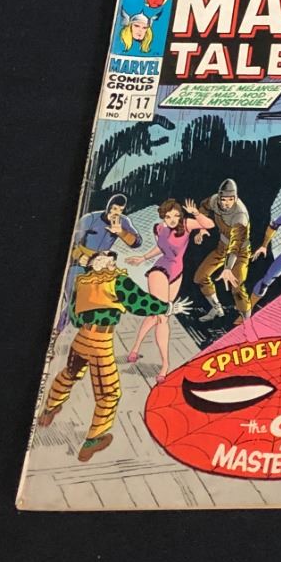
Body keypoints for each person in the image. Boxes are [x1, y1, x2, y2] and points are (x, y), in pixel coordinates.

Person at [38, 250, 167, 461]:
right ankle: (92, 441)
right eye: (109, 261)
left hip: (81, 339)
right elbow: (140, 303)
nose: (112, 263)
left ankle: (48, 411)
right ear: (102, 264)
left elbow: (75, 318)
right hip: (100, 343)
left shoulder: (82, 282)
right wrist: (167, 307)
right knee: (109, 393)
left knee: (70, 374)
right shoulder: (117, 282)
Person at [125, 197, 214, 379]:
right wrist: (143, 258)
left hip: (177, 273)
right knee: (162, 316)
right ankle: (165, 364)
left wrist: (196, 213)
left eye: (175, 215)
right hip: (160, 271)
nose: (172, 219)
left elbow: (210, 224)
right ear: (163, 217)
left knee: (155, 314)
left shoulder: (186, 224)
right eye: (168, 216)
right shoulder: (159, 229)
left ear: (180, 215)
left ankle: (135, 347)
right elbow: (161, 248)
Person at [59, 194, 141, 331]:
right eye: (114, 209)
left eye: (120, 210)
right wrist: (79, 256)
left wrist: (121, 232)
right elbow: (71, 241)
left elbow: (137, 242)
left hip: (100, 267)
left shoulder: (122, 222)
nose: (116, 213)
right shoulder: (91, 218)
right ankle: (57, 331)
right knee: (74, 299)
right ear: (108, 207)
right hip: (80, 264)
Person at [193, 178, 251, 320]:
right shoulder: (214, 201)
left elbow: (235, 245)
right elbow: (203, 207)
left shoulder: (240, 215)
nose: (226, 203)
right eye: (223, 199)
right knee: (200, 277)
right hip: (222, 247)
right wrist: (202, 227)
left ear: (235, 198)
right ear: (219, 197)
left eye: (230, 199)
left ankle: (247, 321)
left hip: (240, 252)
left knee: (236, 287)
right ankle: (217, 309)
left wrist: (228, 268)